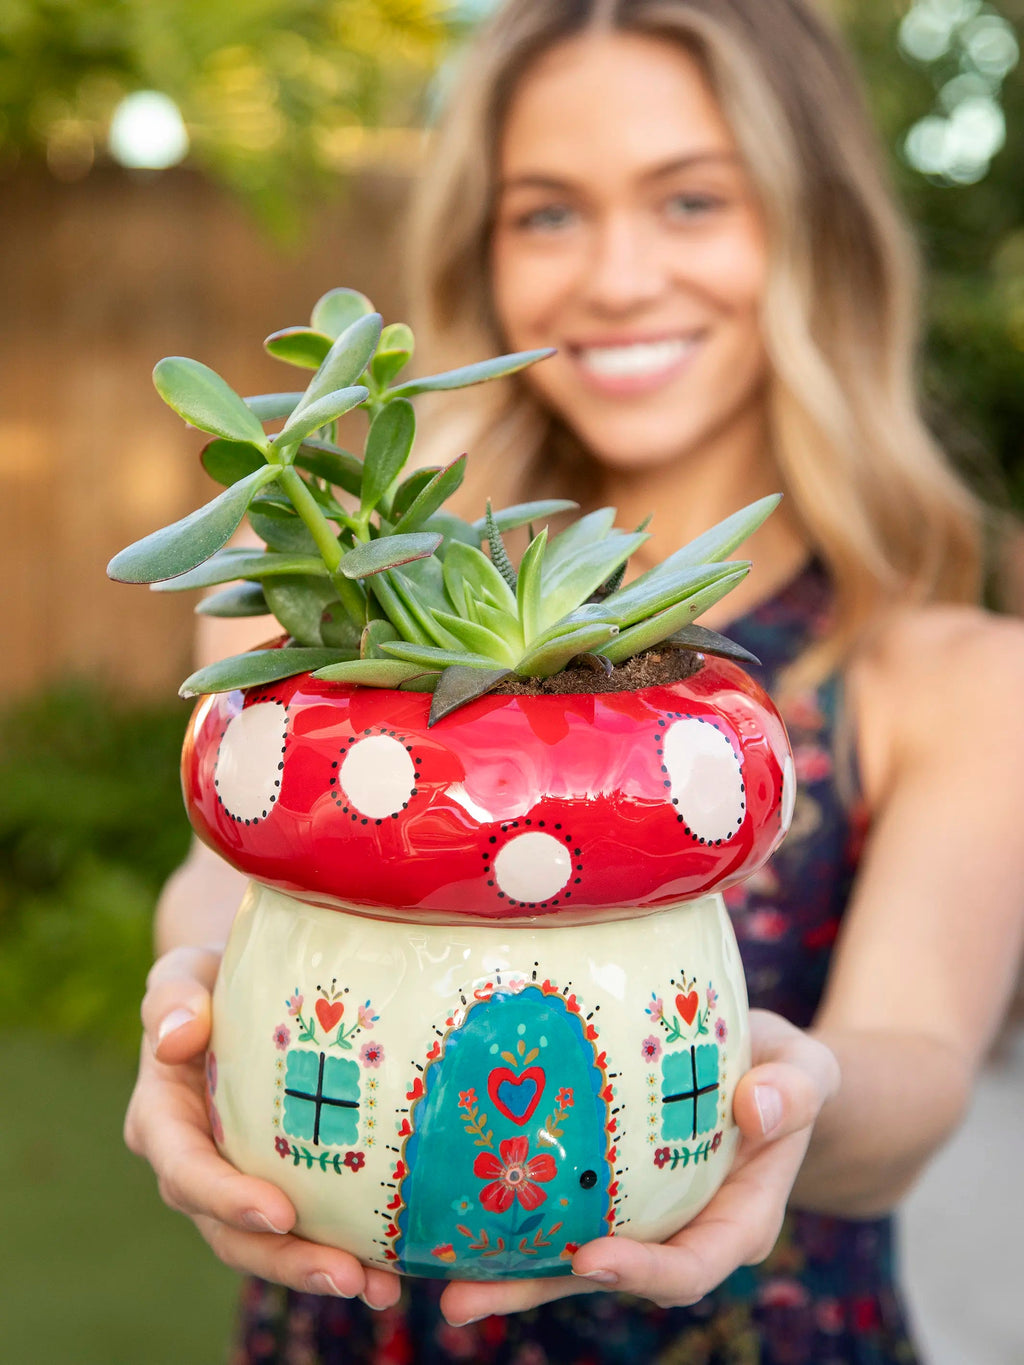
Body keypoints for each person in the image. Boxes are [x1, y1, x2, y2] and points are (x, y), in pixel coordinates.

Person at [124, 1, 1024, 1361]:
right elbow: (228, 871)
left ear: (814, 230)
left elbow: (914, 1064)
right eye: (547, 212)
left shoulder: (947, 673)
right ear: (482, 248)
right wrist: (192, 1005)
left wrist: (786, 1098)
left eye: (690, 199)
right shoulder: (327, 586)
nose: (614, 277)